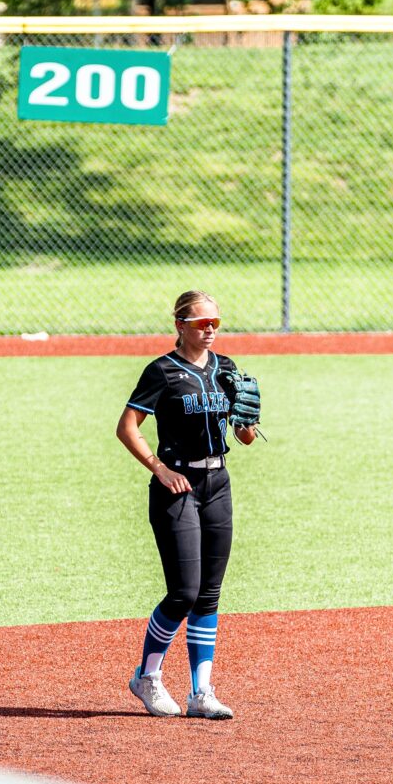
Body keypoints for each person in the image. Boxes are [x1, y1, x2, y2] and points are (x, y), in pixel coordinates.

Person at [116, 289, 257, 720]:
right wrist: (158, 468)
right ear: (180, 325)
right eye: (201, 323)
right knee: (183, 592)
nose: (210, 329)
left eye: (215, 322)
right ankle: (147, 677)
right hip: (177, 487)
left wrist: (247, 419)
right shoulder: (162, 371)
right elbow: (127, 427)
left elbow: (245, 438)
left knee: (209, 594)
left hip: (218, 484)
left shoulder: (225, 368)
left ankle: (201, 693)